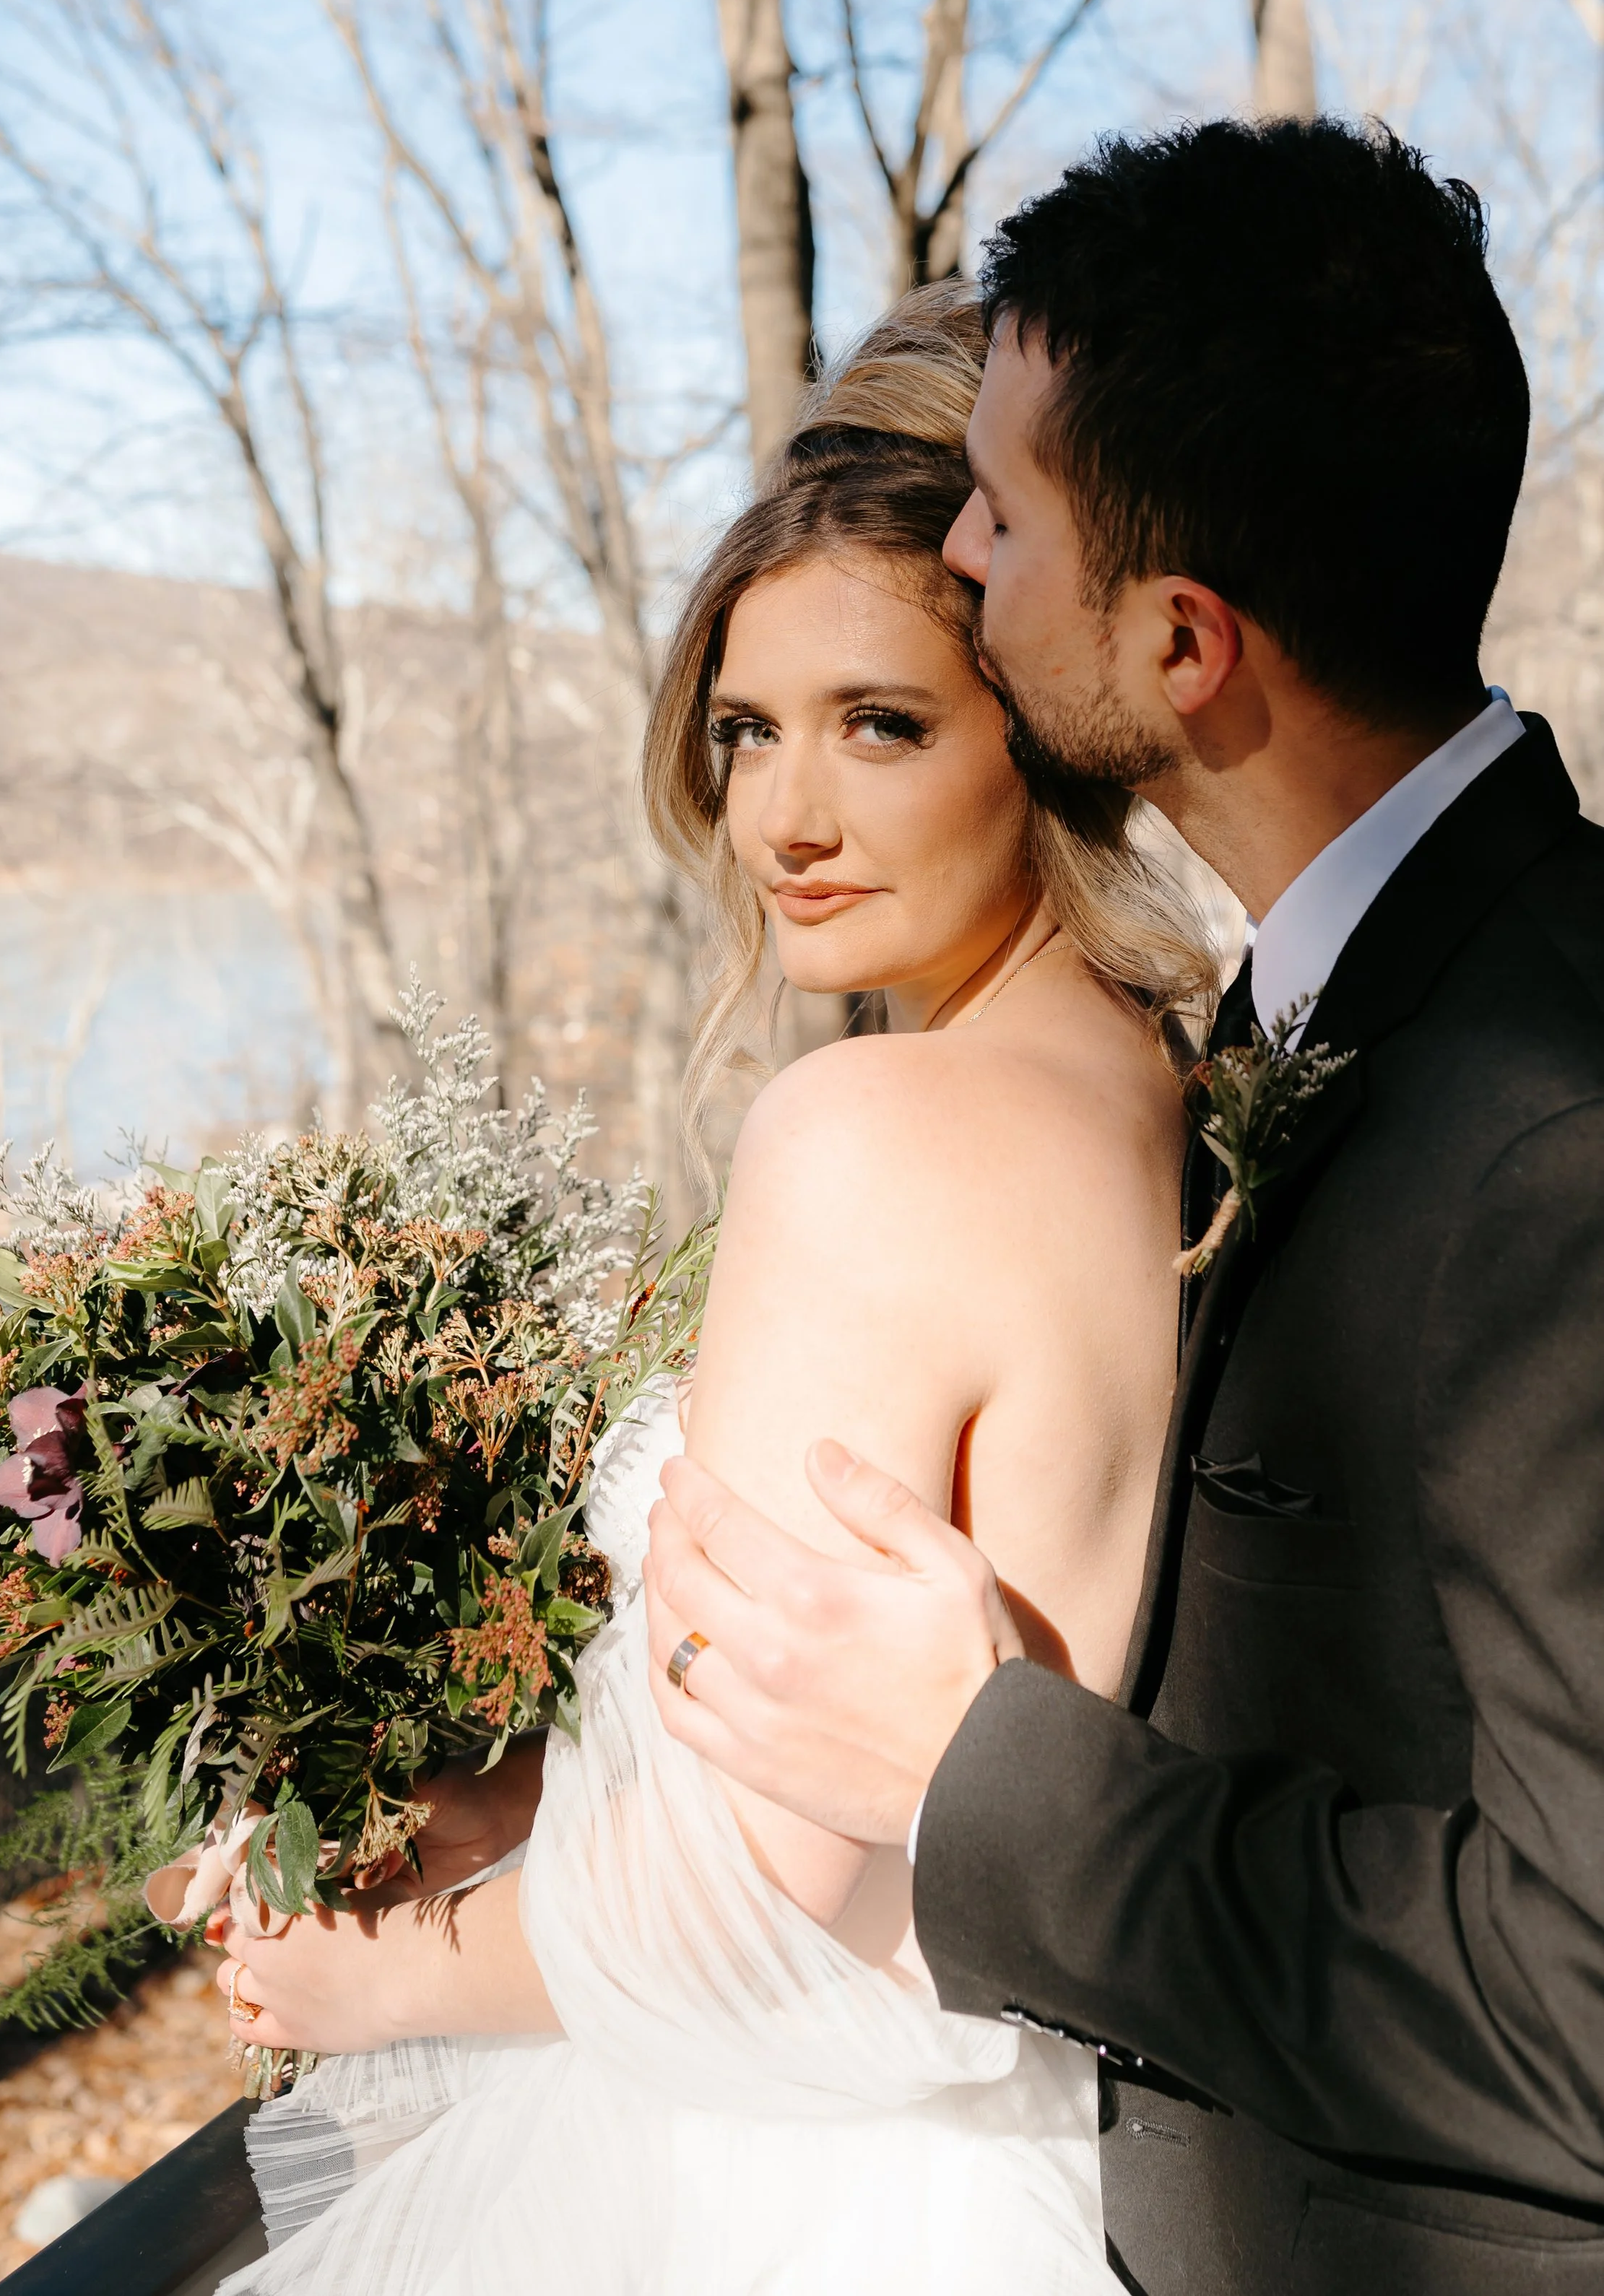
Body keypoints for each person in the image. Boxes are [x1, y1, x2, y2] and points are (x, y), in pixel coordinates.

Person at [645, 117, 1604, 2295]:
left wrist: (989, 1779)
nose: (956, 558)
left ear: (1180, 647)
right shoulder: (1335, 1024)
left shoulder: (1550, 1128)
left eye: (1002, 511)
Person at [208, 282, 1216, 2296]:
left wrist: (374, 1973)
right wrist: (496, 1805)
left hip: (795, 2197)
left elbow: (750, 1919)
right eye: (746, 732)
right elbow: (859, 1773)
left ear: (1039, 726)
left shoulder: (872, 1132)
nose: (783, 816)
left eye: (882, 723)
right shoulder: (1162, 1091)